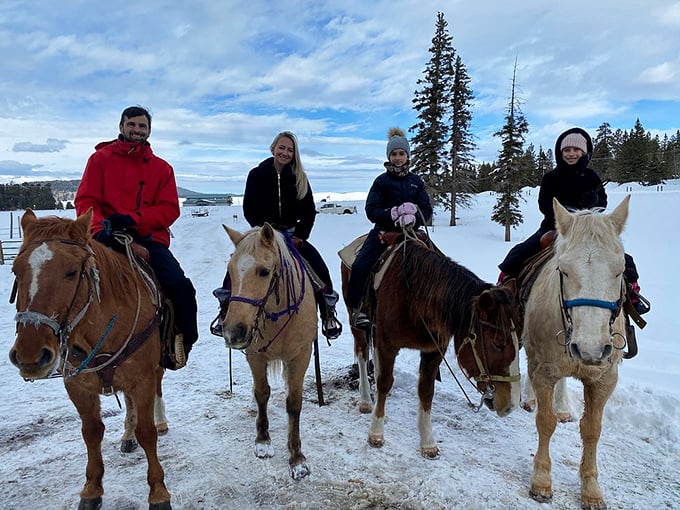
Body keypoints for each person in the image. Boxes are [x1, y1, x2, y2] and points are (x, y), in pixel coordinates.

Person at [75, 105, 199, 368]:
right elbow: (86, 200)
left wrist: (133, 220)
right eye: (131, 125)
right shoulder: (99, 160)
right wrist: (99, 229)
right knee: (71, 281)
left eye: (142, 126)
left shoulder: (162, 168)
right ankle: (66, 343)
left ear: (149, 131)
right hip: (104, 237)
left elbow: (168, 209)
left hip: (148, 239)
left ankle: (179, 342)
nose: (136, 130)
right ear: (121, 127)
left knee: (180, 287)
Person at [497, 127, 649, 315]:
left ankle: (632, 293)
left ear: (585, 152)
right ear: (560, 153)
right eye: (566, 150)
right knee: (520, 252)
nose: (571, 154)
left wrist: (593, 203)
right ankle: (503, 284)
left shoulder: (592, 176)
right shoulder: (551, 178)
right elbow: (544, 204)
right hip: (555, 227)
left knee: (623, 259)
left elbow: (602, 202)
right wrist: (568, 216)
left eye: (576, 150)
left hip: (588, 229)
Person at [211, 131, 342, 340]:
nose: (285, 152)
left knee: (318, 266)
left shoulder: (300, 177)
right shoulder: (256, 174)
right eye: (281, 148)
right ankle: (226, 308)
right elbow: (249, 208)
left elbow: (309, 211)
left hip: (291, 235)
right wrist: (261, 232)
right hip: (263, 235)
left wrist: (301, 235)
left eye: (290, 150)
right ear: (273, 149)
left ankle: (328, 312)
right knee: (239, 266)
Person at [345, 127, 433, 329]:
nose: (398, 158)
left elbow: (427, 209)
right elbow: (371, 210)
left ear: (408, 156)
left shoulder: (416, 181)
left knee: (439, 263)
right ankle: (359, 308)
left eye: (402, 153)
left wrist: (415, 217)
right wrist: (392, 214)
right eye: (394, 154)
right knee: (360, 266)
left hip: (411, 234)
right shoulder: (381, 181)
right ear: (388, 156)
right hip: (383, 233)